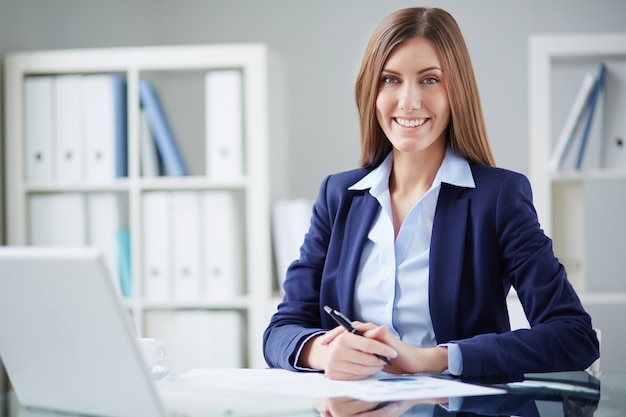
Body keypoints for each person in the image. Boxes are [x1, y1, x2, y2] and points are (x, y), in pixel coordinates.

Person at [263, 6, 599, 380]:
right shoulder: (338, 196)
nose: (408, 101)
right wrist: (322, 352)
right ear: (371, 91)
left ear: (456, 90)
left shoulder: (498, 196)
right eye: (390, 79)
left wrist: (432, 358)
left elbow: (575, 336)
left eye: (429, 80)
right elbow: (282, 329)